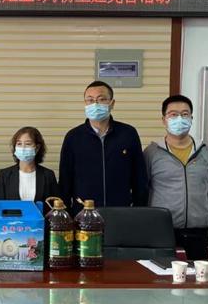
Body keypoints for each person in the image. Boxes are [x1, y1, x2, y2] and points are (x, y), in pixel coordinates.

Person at [144, 95, 208, 259]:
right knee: (160, 273)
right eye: (173, 114)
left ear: (191, 118)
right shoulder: (151, 153)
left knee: (199, 274)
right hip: (161, 229)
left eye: (185, 114)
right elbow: (145, 188)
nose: (179, 119)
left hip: (198, 232)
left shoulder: (207, 152)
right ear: (164, 120)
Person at [59, 80, 147, 214]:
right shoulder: (73, 137)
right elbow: (65, 181)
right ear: (85, 104)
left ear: (112, 103)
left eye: (101, 99)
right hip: (84, 214)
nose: (95, 104)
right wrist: (67, 215)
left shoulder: (128, 134)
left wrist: (139, 211)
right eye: (90, 100)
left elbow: (139, 177)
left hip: (121, 213)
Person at [0, 126, 60, 206]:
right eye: (19, 144)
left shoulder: (48, 175)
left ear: (37, 148)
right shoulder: (4, 175)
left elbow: (54, 207)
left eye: (28, 144)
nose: (23, 148)